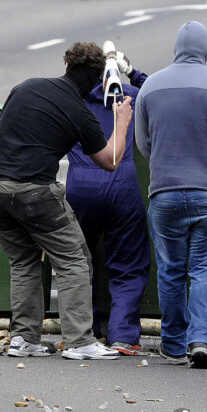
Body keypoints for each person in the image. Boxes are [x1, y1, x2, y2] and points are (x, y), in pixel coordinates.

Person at [0, 42, 132, 361]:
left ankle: (24, 339)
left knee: (23, 261)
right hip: (32, 190)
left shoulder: (27, 86)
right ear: (97, 78)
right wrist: (122, 120)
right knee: (74, 259)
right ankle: (79, 341)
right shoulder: (79, 111)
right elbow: (111, 159)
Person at [134, 21, 207, 369]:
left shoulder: (150, 85)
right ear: (206, 50)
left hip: (164, 195)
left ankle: (172, 343)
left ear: (176, 48)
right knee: (204, 269)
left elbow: (143, 142)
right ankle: (200, 339)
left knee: (170, 270)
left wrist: (166, 169)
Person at [65, 46, 150, 356]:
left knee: (77, 262)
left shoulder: (73, 95)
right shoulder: (127, 94)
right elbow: (158, 90)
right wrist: (131, 70)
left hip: (81, 185)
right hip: (121, 183)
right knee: (128, 263)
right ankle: (124, 335)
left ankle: (83, 332)